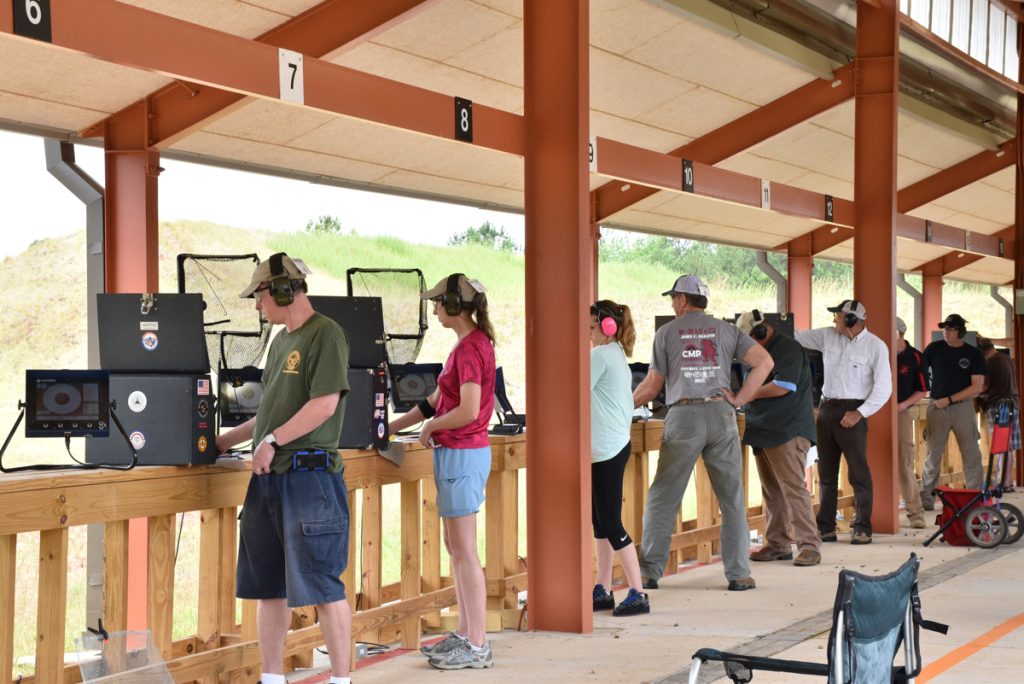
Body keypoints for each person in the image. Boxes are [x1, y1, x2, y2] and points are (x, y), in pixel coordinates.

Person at [216, 253, 353, 684]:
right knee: (266, 587)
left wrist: (273, 442)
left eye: (259, 295)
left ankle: (341, 680)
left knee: (324, 587)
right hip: (269, 479)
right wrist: (224, 440)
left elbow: (324, 404)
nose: (257, 305)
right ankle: (272, 679)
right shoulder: (280, 343)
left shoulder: (325, 334)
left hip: (309, 479)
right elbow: (269, 414)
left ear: (279, 290)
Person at [633, 275, 773, 591]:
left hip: (683, 416)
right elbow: (764, 362)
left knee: (664, 496)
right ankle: (738, 574)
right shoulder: (727, 330)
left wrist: (623, 406)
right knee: (732, 498)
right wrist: (741, 398)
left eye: (673, 298)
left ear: (682, 300)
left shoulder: (667, 332)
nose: (671, 304)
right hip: (722, 414)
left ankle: (649, 572)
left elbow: (652, 385)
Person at [388, 273, 496, 670]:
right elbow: (434, 403)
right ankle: (467, 634)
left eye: (437, 302)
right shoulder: (470, 345)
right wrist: (388, 429)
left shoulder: (469, 349)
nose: (433, 308)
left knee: (464, 551)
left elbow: (466, 410)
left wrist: (431, 428)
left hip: (462, 454)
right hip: (461, 454)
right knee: (457, 548)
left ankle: (478, 644)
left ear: (454, 306)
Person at [795, 300, 891, 545]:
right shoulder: (828, 336)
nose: (834, 320)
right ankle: (825, 527)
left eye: (838, 316)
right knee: (825, 473)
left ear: (851, 320)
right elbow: (796, 337)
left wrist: (860, 413)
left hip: (853, 411)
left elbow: (884, 388)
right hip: (827, 410)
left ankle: (862, 527)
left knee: (859, 474)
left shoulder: (876, 347)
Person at [734, 311, 820, 567]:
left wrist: (747, 394)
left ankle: (809, 546)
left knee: (793, 489)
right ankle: (778, 543)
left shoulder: (788, 349)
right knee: (772, 491)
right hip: (765, 429)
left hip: (787, 430)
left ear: (760, 332)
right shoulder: (763, 351)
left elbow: (783, 385)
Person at [588, 300, 650, 616]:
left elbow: (574, 390)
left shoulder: (600, 355)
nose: (587, 328)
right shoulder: (613, 354)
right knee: (599, 522)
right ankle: (603, 588)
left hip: (606, 449)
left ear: (606, 326)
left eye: (591, 323)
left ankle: (637, 591)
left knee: (610, 522)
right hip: (606, 448)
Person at [919, 314, 986, 510]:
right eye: (944, 328)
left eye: (950, 328)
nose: (946, 332)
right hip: (936, 406)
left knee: (971, 453)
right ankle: (927, 500)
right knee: (933, 455)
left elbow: (977, 387)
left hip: (962, 407)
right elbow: (920, 373)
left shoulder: (974, 354)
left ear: (960, 331)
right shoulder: (934, 349)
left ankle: (973, 497)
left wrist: (948, 400)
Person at [895, 317, 929, 528]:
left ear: (898, 333)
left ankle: (915, 514)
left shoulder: (915, 356)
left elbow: (922, 389)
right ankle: (864, 514)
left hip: (901, 412)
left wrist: (902, 406)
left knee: (904, 464)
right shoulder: (877, 351)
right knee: (869, 463)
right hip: (872, 411)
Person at [977, 335, 1019, 491]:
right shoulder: (1005, 358)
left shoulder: (989, 363)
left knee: (1001, 446)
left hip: (998, 406)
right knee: (1008, 446)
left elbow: (983, 387)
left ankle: (1003, 483)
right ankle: (1007, 482)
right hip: (1012, 404)